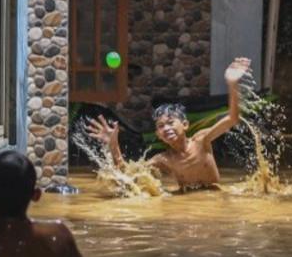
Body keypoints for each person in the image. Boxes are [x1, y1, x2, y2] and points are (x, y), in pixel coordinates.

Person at [86, 57, 252, 192]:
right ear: (158, 135)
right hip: (185, 202)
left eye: (171, 122)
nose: (166, 128)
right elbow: (128, 175)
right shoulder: (164, 159)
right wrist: (113, 144)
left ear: (185, 124)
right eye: (161, 126)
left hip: (213, 197)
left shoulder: (201, 141)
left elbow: (232, 119)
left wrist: (232, 84)